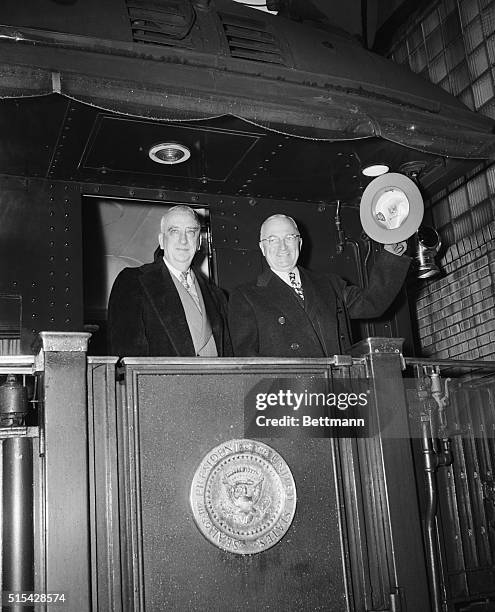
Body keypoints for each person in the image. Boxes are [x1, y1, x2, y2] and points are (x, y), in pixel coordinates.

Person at [228, 214, 410, 357]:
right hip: (288, 398)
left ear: (299, 242)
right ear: (262, 247)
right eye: (273, 240)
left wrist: (392, 254)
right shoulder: (246, 296)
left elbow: (372, 303)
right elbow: (248, 361)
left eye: (289, 237)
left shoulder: (329, 284)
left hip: (337, 392)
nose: (282, 247)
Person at [108, 205, 232, 357]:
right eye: (174, 231)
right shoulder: (133, 282)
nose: (183, 240)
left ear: (199, 241)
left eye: (190, 232)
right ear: (161, 240)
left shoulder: (217, 295)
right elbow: (127, 358)